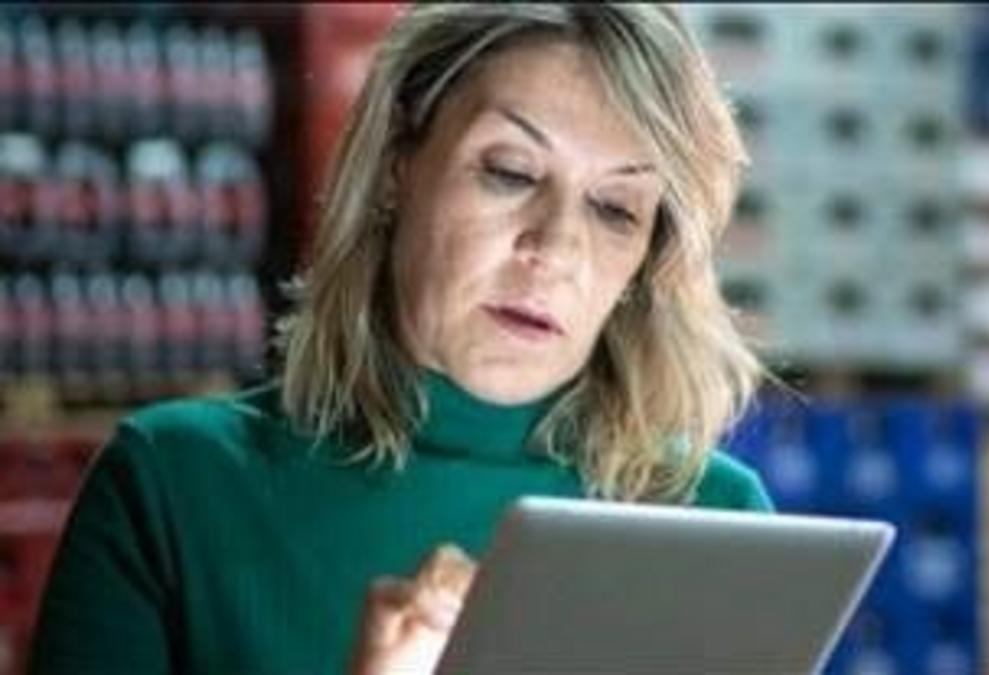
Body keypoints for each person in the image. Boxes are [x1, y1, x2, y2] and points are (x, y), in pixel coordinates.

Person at [28, 4, 777, 673]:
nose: (555, 249)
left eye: (616, 209)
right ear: (397, 165)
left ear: (648, 259)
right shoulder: (174, 482)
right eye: (511, 172)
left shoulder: (716, 521)